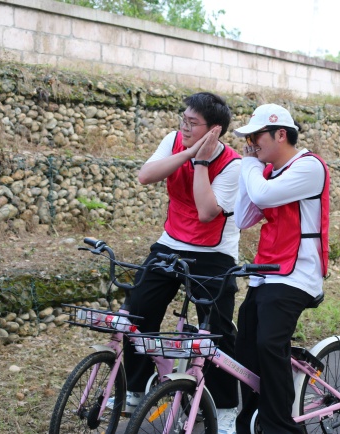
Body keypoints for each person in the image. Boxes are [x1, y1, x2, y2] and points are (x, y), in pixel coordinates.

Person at [120, 92, 242, 433]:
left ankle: (226, 407)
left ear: (214, 130)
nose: (184, 128)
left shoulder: (233, 165)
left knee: (215, 331)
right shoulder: (174, 141)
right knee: (136, 311)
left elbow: (206, 212)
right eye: (183, 120)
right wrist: (188, 153)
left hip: (213, 253)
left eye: (193, 123)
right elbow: (146, 176)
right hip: (170, 243)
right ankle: (136, 389)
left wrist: (200, 163)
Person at [233, 103, 329, 434]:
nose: (250, 145)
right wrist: (251, 170)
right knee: (245, 348)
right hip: (268, 271)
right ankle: (253, 421)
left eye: (255, 137)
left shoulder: (309, 167)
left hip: (298, 274)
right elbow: (243, 217)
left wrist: (248, 164)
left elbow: (263, 196)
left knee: (268, 344)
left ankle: (282, 427)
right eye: (248, 140)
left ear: (281, 134)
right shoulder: (269, 173)